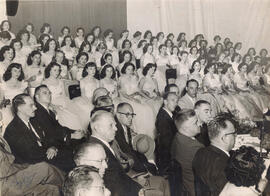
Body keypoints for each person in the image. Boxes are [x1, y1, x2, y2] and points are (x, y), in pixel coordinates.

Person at [4, 94, 76, 172]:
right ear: (20, 108)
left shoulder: (33, 120)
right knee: (68, 159)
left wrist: (52, 147)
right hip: (31, 165)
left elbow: (48, 137)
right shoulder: (13, 129)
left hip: (44, 155)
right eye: (31, 105)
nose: (35, 108)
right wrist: (49, 150)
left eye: (34, 105)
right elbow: (30, 154)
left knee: (71, 151)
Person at [88, 111, 142, 196]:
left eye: (115, 125)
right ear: (97, 128)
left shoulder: (103, 144)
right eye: (111, 125)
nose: (116, 128)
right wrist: (139, 190)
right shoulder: (95, 149)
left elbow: (118, 175)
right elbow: (111, 185)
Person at [192, 113, 238, 196]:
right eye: (233, 133)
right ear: (224, 138)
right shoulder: (226, 166)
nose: (236, 136)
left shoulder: (200, 152)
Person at [33, 85, 85, 149]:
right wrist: (72, 136)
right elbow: (49, 133)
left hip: (58, 140)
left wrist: (73, 131)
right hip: (51, 146)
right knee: (82, 144)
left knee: (83, 139)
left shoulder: (49, 111)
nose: (49, 95)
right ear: (37, 96)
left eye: (49, 93)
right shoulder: (38, 112)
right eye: (45, 93)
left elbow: (58, 127)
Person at [171, 109, 203, 196]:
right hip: (196, 190)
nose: (200, 124)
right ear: (185, 128)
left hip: (184, 187)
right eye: (195, 122)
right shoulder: (196, 148)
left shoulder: (177, 138)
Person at [155, 92, 178, 175]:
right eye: (172, 100)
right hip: (166, 160)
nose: (175, 103)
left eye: (176, 101)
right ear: (165, 102)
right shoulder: (163, 118)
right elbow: (166, 143)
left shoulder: (170, 115)